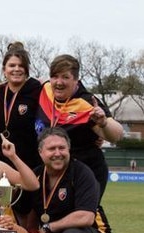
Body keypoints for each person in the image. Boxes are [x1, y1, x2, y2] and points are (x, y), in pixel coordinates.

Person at [28, 128, 112, 233]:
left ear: (69, 149)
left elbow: (86, 217)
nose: (57, 153)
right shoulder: (34, 176)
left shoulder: (82, 172)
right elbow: (30, 215)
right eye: (52, 149)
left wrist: (49, 227)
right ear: (40, 152)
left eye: (62, 148)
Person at [34, 54, 123, 198]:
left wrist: (103, 123)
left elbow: (117, 135)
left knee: (80, 217)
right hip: (52, 169)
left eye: (65, 77)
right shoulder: (45, 89)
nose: (59, 82)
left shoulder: (87, 103)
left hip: (85, 172)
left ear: (76, 80)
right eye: (55, 76)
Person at [0, 42, 43, 169]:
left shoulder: (36, 89)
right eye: (12, 65)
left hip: (28, 159)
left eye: (21, 66)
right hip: (0, 157)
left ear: (27, 70)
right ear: (4, 70)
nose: (16, 69)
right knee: (2, 189)